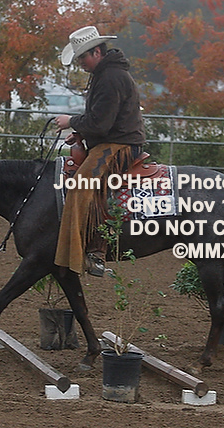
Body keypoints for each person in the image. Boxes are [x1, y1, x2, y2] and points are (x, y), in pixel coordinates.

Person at [54, 26, 146, 277]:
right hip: (115, 140)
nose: (80, 63)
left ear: (96, 52)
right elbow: (104, 119)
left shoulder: (110, 77)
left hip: (119, 146)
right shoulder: (107, 74)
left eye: (82, 57)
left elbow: (101, 123)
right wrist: (82, 133)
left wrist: (71, 122)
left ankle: (95, 251)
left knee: (81, 186)